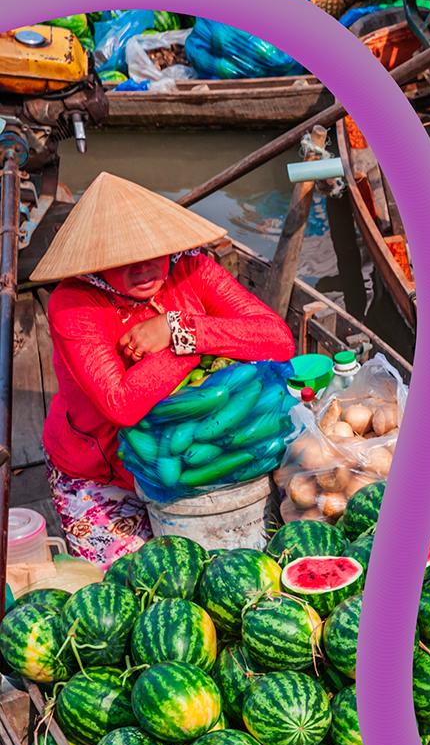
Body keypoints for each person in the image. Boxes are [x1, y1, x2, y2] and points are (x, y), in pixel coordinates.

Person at [33, 172, 294, 565]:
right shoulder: (74, 304)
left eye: (152, 252)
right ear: (95, 262)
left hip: (189, 461)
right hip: (100, 473)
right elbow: (121, 404)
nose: (143, 268)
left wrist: (178, 329)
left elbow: (277, 339)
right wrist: (188, 350)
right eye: (123, 260)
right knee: (132, 581)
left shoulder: (193, 269)